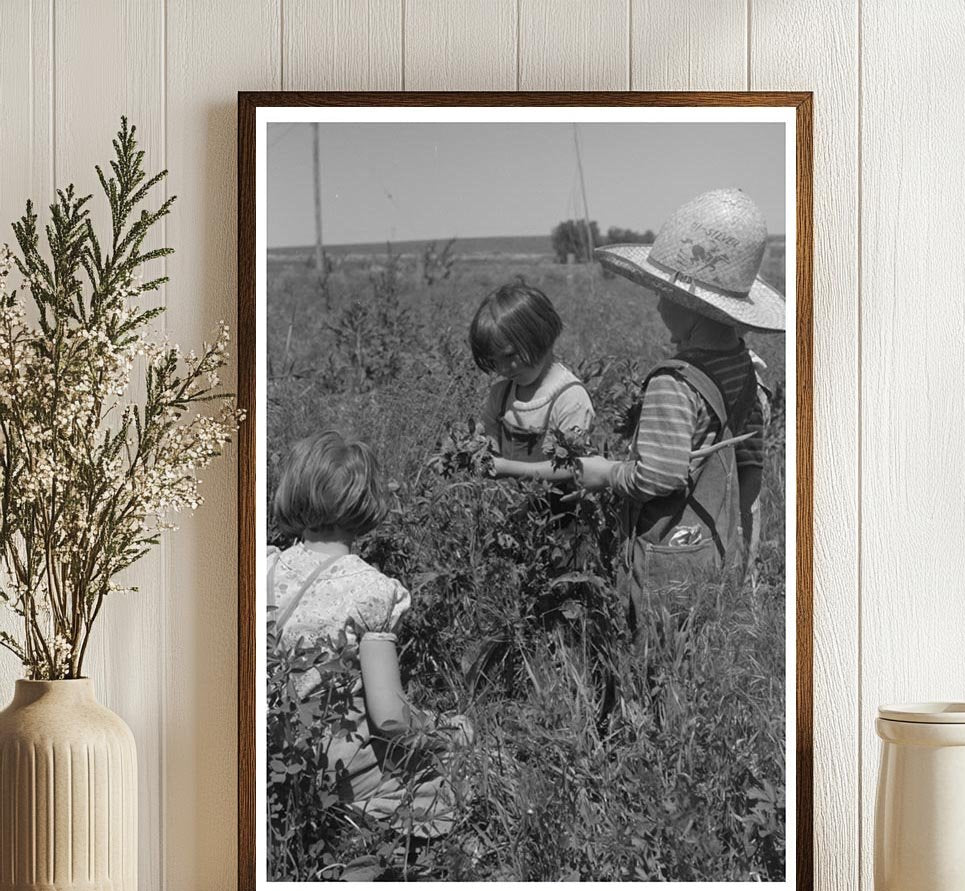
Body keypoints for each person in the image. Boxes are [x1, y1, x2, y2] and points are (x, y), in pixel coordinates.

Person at [576, 188, 786, 629]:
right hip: (718, 547)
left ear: (692, 311)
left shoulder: (673, 383)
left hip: (670, 557)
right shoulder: (747, 370)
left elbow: (659, 476)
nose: (655, 303)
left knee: (659, 660)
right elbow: (750, 466)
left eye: (663, 293)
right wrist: (745, 544)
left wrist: (605, 473)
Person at [267, 429, 470, 838]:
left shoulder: (265, 566)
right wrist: (443, 727)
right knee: (457, 766)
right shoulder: (371, 593)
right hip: (333, 771)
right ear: (366, 504)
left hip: (271, 755)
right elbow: (391, 718)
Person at [468, 281, 595, 481]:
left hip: (559, 507)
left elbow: (573, 467)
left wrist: (507, 468)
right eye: (494, 361)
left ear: (540, 337)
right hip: (512, 504)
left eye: (509, 356)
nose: (502, 369)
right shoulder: (501, 395)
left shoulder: (570, 398)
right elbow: (488, 439)